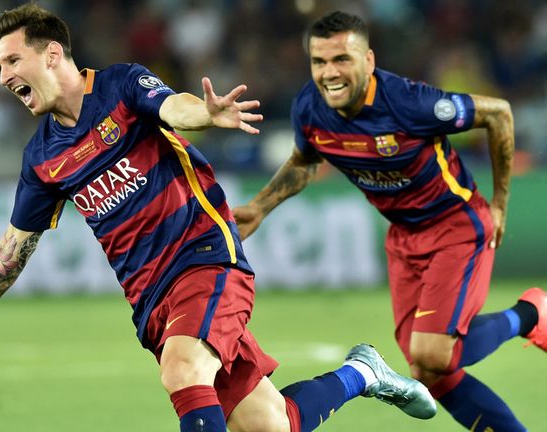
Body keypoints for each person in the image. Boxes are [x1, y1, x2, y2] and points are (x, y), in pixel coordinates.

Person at [0, 5, 437, 431]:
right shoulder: (41, 158)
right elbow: (16, 242)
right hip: (150, 300)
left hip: (204, 258)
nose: (3, 75)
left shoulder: (120, 86)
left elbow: (174, 107)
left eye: (11, 60)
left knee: (183, 370)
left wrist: (206, 116)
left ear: (52, 54)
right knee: (273, 424)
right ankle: (363, 372)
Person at [233, 11, 546, 432]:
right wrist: (260, 206)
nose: (329, 74)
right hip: (403, 237)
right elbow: (305, 161)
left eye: (341, 59)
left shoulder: (408, 103)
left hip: (455, 226)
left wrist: (501, 203)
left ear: (368, 61)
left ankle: (531, 314)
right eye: (319, 62)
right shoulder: (310, 107)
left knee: (434, 355)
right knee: (433, 374)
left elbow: (498, 114)